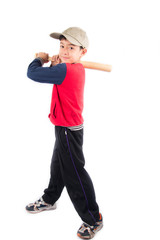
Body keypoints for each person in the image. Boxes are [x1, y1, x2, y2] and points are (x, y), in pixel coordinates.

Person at [26, 27, 103, 239]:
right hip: (63, 127)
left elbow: (32, 73)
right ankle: (50, 199)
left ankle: (93, 219)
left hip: (69, 130)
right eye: (62, 46)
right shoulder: (70, 68)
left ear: (83, 52)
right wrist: (55, 62)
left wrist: (40, 60)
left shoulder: (66, 70)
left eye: (71, 47)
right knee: (58, 166)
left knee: (75, 175)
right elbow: (57, 74)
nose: (65, 51)